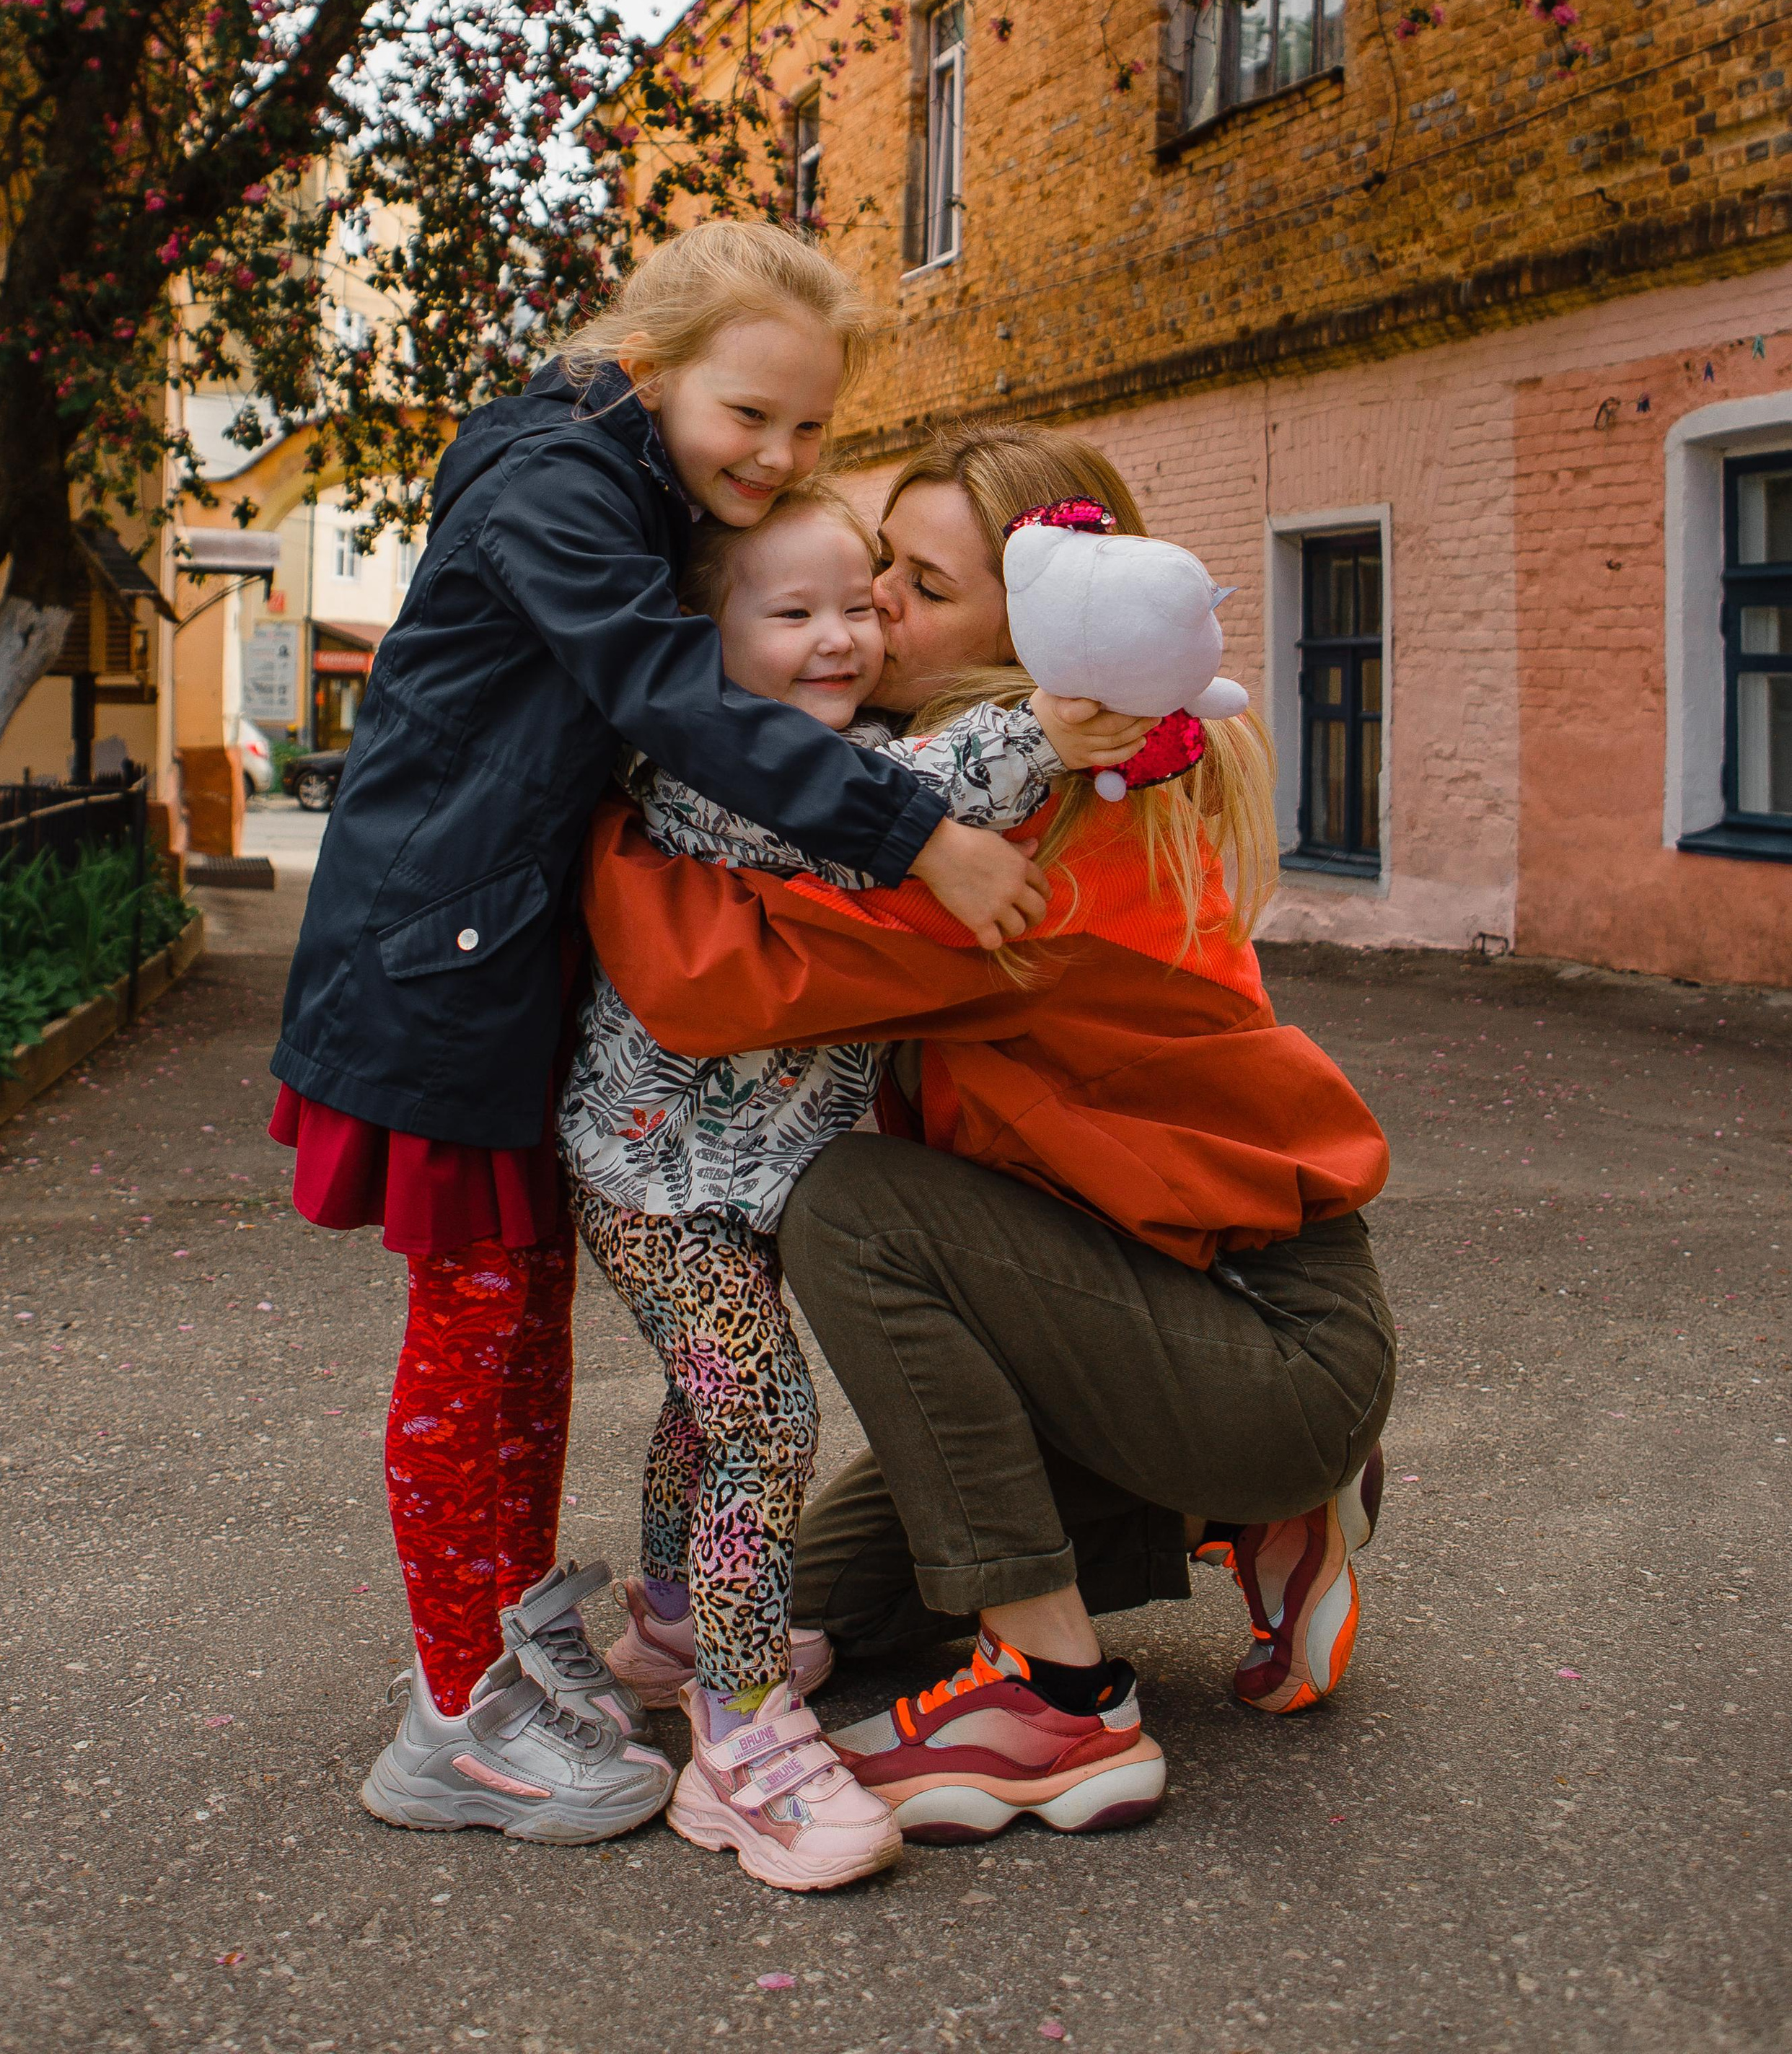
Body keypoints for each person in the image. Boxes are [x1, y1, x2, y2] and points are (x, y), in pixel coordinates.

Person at [265, 228, 1060, 1845]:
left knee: (520, 1334)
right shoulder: (565, 493)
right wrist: (920, 840)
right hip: (438, 970)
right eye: (748, 415)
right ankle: (454, 1715)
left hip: (487, 955)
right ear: (650, 368)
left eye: (811, 429)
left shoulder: (622, 482)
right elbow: (670, 696)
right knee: (475, 1347)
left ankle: (515, 1641)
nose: (776, 457)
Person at [579, 422, 1397, 1845]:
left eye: (921, 581)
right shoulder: (960, 783)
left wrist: (611, 810)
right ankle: (1243, 1504)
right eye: (876, 561)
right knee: (812, 1601)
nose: (870, 601)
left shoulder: (1026, 842)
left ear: (1033, 639)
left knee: (849, 1204)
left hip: (1257, 1334)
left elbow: (697, 973)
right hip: (1142, 1298)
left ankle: (1052, 1700)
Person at [559, 478, 1143, 1889]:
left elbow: (902, 773)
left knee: (710, 1414)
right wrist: (1037, 737)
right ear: (705, 641)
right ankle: (740, 1735)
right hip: (657, 1175)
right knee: (759, 1412)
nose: (837, 638)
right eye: (790, 612)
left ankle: (666, 1623)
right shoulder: (696, 768)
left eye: (853, 606)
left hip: (757, 1173)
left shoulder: (866, 744)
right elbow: (858, 817)